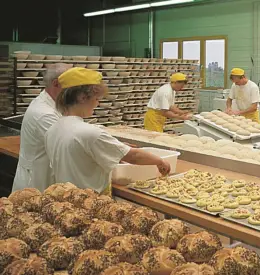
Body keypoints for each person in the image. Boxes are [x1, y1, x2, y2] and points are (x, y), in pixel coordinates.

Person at [45, 68, 171, 196]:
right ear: (83, 97)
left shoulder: (53, 129)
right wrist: (160, 161)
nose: (97, 104)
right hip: (91, 201)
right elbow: (134, 156)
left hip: (65, 200)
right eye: (97, 99)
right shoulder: (90, 132)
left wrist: (114, 147)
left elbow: (80, 156)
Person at [12, 63, 71, 192]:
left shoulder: (51, 104)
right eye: (71, 83)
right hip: (35, 184)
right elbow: (68, 149)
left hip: (41, 180)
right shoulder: (45, 114)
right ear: (56, 83)